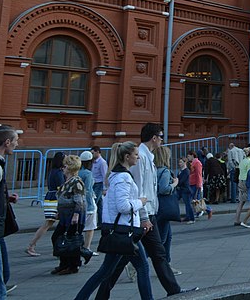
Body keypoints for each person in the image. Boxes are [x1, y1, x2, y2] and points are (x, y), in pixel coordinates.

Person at [96, 124, 193, 298]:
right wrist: (144, 217)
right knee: (147, 256)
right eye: (161, 136)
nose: (162, 139)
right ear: (154, 138)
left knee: (137, 256)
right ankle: (174, 291)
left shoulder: (148, 156)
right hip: (144, 215)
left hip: (148, 213)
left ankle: (174, 291)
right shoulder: (140, 157)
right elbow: (138, 190)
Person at [74, 142, 153, 300]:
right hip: (123, 230)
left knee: (106, 270)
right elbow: (123, 206)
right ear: (127, 156)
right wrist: (141, 202)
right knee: (140, 267)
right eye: (136, 154)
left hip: (120, 229)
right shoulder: (123, 177)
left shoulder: (118, 175)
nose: (138, 157)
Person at [0, 125, 19, 299]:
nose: (17, 144)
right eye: (15, 141)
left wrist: (5, 199)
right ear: (7, 142)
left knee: (3, 275)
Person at [50, 154, 87, 275]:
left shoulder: (76, 182)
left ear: (70, 168)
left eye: (65, 166)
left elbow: (79, 201)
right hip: (65, 216)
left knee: (71, 241)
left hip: (72, 217)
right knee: (59, 238)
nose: (62, 168)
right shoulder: (68, 181)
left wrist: (76, 215)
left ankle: (72, 265)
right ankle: (64, 263)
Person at [27, 151, 65, 257]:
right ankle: (32, 245)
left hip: (49, 197)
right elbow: (61, 188)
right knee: (49, 224)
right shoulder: (58, 173)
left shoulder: (53, 171)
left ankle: (33, 245)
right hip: (54, 199)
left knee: (49, 224)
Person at [154, 146, 180, 275]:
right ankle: (134, 261)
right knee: (161, 240)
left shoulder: (154, 170)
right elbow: (164, 189)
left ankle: (168, 264)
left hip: (157, 207)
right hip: (164, 208)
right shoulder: (164, 171)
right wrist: (174, 184)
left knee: (168, 237)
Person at [78, 151, 99, 257]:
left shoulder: (77, 172)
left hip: (78, 203)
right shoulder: (88, 174)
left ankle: (78, 247)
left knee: (79, 227)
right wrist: (91, 205)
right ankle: (87, 248)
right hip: (88, 203)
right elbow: (89, 190)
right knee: (90, 228)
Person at [234, 147, 250, 227]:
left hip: (240, 181)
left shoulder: (242, 161)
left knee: (241, 202)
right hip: (246, 182)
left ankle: (237, 219)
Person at [91, 146, 107, 224]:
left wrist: (104, 188)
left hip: (99, 184)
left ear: (97, 152)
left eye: (93, 153)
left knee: (94, 202)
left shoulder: (102, 162)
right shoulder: (94, 162)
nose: (92, 155)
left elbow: (104, 175)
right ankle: (101, 222)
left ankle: (92, 222)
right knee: (100, 205)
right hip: (94, 184)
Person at [175, 158, 194, 224]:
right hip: (181, 189)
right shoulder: (181, 170)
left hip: (186, 190)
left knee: (188, 204)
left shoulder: (186, 171)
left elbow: (182, 180)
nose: (179, 164)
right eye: (179, 162)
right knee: (177, 201)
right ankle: (187, 217)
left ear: (185, 162)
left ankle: (192, 218)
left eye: (181, 162)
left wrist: (176, 183)